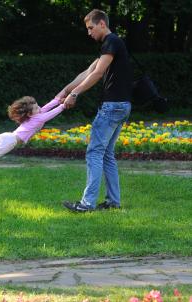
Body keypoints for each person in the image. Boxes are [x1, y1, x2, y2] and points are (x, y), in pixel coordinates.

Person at [59, 9, 133, 212]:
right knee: (107, 154)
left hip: (112, 106)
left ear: (102, 24)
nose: (88, 32)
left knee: (94, 152)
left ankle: (87, 203)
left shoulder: (111, 42)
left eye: (91, 28)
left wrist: (75, 94)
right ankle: (113, 201)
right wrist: (65, 91)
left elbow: (98, 73)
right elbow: (89, 71)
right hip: (122, 106)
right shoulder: (110, 45)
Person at [0, 96, 65, 174]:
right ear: (29, 114)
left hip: (7, 136)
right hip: (11, 140)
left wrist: (57, 100)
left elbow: (47, 107)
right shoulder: (38, 118)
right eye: (37, 108)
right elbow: (52, 113)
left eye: (38, 106)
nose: (40, 108)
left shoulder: (35, 115)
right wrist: (63, 105)